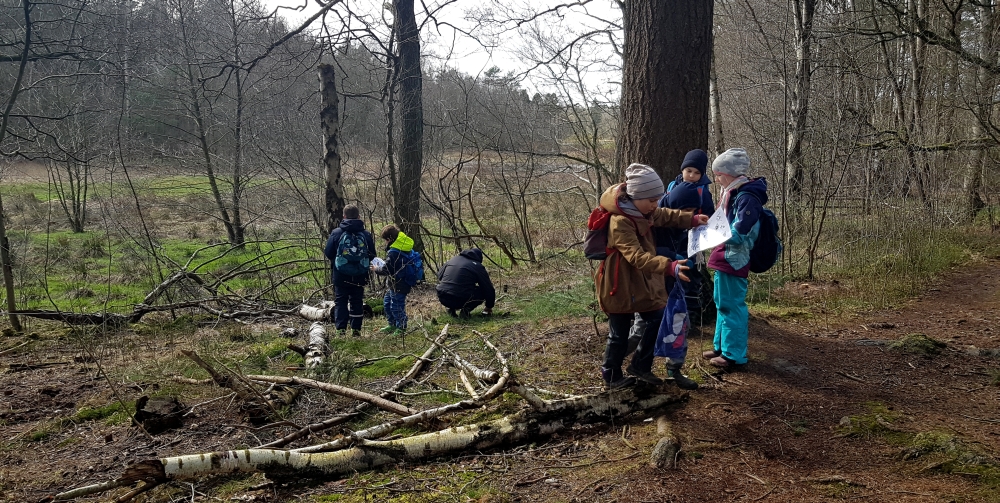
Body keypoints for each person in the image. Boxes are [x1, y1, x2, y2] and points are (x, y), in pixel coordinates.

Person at [595, 163, 708, 389]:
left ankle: (640, 366)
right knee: (619, 332)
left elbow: (665, 215)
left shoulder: (644, 209)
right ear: (637, 197)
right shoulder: (620, 221)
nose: (655, 205)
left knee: (657, 317)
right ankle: (611, 374)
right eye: (652, 201)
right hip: (619, 283)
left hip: (641, 281)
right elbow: (636, 256)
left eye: (657, 200)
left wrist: (692, 220)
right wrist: (669, 266)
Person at [626, 150, 714, 390]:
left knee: (678, 318)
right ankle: (625, 360)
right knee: (649, 318)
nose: (685, 216)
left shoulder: (694, 195)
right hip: (659, 270)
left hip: (681, 266)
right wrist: (667, 259)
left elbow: (679, 219)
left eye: (697, 172)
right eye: (689, 170)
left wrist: (693, 227)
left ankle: (672, 368)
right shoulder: (653, 211)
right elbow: (642, 251)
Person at [705, 148, 768, 369]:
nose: (716, 178)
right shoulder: (731, 193)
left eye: (719, 174)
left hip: (734, 257)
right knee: (721, 303)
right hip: (725, 255)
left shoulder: (747, 197)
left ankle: (733, 354)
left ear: (730, 174)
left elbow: (740, 232)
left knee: (732, 305)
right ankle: (720, 346)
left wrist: (713, 235)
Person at [323, 204, 376, 337]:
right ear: (359, 217)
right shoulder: (366, 234)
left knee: (340, 301)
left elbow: (329, 253)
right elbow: (372, 255)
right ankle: (356, 330)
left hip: (340, 274)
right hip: (360, 274)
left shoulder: (336, 233)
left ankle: (341, 330)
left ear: (344, 216)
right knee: (357, 300)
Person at [371, 224, 416, 335]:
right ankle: (392, 324)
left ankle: (401, 327)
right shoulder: (403, 245)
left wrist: (377, 268)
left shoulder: (394, 252)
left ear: (389, 239)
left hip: (399, 283)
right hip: (395, 283)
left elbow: (388, 269)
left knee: (396, 306)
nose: (385, 243)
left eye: (385, 240)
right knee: (387, 303)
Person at [436, 248, 496, 318]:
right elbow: (488, 288)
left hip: (442, 296)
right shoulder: (477, 266)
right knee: (482, 291)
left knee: (452, 289)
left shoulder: (453, 260)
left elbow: (439, 276)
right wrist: (489, 306)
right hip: (460, 298)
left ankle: (450, 309)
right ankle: (465, 311)